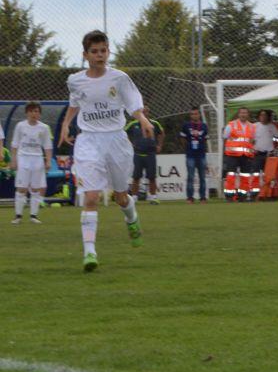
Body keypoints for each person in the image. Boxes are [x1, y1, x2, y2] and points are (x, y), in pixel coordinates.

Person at [59, 30, 151, 272]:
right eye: (95, 51)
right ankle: (90, 252)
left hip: (116, 141)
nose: (100, 55)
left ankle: (131, 218)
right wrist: (67, 123)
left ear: (108, 52)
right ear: (85, 55)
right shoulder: (75, 80)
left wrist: (142, 119)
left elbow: (133, 102)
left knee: (120, 197)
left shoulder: (119, 78)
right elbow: (75, 102)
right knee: (91, 196)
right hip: (88, 141)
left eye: (104, 50)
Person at [10, 102, 53, 224]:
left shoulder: (44, 128)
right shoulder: (20, 126)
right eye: (32, 111)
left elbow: (47, 146)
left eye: (37, 111)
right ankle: (18, 216)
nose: (34, 114)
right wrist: (14, 160)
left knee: (35, 188)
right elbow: (14, 144)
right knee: (21, 188)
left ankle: (34, 215)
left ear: (39, 114)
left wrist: (48, 161)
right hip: (23, 158)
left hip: (37, 159)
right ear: (27, 113)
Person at [126, 106, 164, 204]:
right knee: (136, 177)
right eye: (143, 112)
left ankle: (153, 197)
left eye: (147, 112)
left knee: (152, 177)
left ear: (149, 113)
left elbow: (161, 133)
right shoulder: (133, 124)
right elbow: (124, 133)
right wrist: (130, 144)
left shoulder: (154, 124)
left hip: (150, 154)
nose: (145, 113)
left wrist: (159, 145)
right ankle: (134, 197)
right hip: (138, 154)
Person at [222, 106, 256, 202]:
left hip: (246, 156)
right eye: (241, 113)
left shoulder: (252, 126)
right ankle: (229, 196)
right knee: (231, 175)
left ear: (248, 114)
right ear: (238, 114)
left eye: (245, 113)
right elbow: (225, 138)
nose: (243, 115)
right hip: (232, 155)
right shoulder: (231, 125)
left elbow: (252, 140)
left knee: (245, 176)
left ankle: (243, 196)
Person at [179, 106, 208, 203]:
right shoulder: (186, 125)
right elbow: (182, 138)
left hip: (201, 155)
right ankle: (190, 197)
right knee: (190, 177)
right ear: (190, 115)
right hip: (190, 155)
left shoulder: (204, 126)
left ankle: (203, 197)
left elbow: (205, 140)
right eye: (192, 114)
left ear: (199, 114)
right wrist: (187, 147)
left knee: (202, 177)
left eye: (196, 113)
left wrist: (203, 150)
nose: (194, 115)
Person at [253, 109, 278, 187]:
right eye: (261, 115)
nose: (263, 116)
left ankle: (268, 193)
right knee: (256, 173)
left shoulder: (271, 126)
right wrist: (251, 148)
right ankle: (256, 191)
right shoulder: (254, 126)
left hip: (269, 154)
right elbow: (250, 139)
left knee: (269, 174)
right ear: (259, 116)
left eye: (265, 115)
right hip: (257, 154)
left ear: (268, 117)